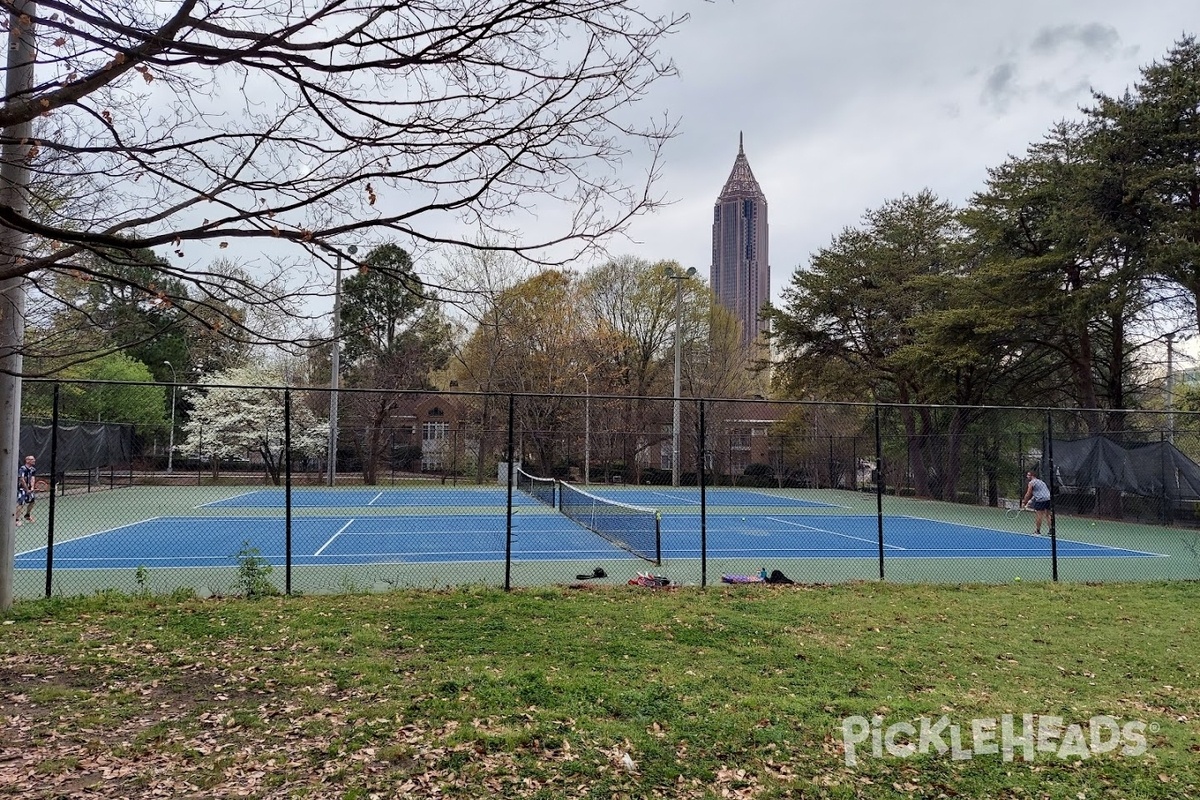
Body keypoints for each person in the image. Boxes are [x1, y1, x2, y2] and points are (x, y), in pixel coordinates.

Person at [1022, 469, 1051, 536]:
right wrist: (1030, 501)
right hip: (1048, 498)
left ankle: (1037, 532)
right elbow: (1039, 492)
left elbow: (1028, 493)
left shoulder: (1031, 483)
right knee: (1048, 515)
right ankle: (1051, 531)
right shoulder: (1041, 482)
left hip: (1040, 500)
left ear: (1032, 476)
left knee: (1039, 515)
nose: (1027, 476)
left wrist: (1024, 502)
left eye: (1028, 475)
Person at [14, 454, 37, 527]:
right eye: (32, 459)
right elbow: (22, 479)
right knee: (21, 503)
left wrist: (32, 488)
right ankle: (16, 520)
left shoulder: (33, 469)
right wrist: (27, 489)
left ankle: (27, 515)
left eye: (34, 459)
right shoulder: (22, 469)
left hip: (29, 489)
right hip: (21, 489)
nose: (34, 460)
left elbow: (33, 478)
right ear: (27, 461)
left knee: (32, 501)